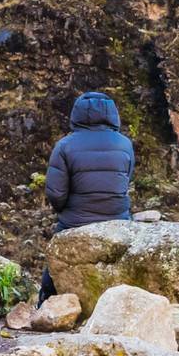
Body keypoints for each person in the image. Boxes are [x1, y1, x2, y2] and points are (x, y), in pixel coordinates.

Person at [39, 90, 134, 300]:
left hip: (75, 222)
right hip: (118, 219)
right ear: (113, 114)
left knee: (53, 269)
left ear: (77, 114)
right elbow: (125, 180)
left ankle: (45, 305)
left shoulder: (65, 145)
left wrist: (67, 211)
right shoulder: (125, 144)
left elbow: (56, 193)